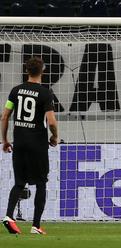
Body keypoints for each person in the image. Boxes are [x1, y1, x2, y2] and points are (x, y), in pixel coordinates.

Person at [1, 57, 58, 235]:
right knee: (41, 183)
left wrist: (4, 140)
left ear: (26, 71)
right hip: (37, 144)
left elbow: (4, 116)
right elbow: (51, 121)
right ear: (43, 71)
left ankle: (9, 217)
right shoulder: (45, 93)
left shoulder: (15, 91)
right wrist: (55, 136)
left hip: (19, 141)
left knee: (19, 182)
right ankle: (36, 226)